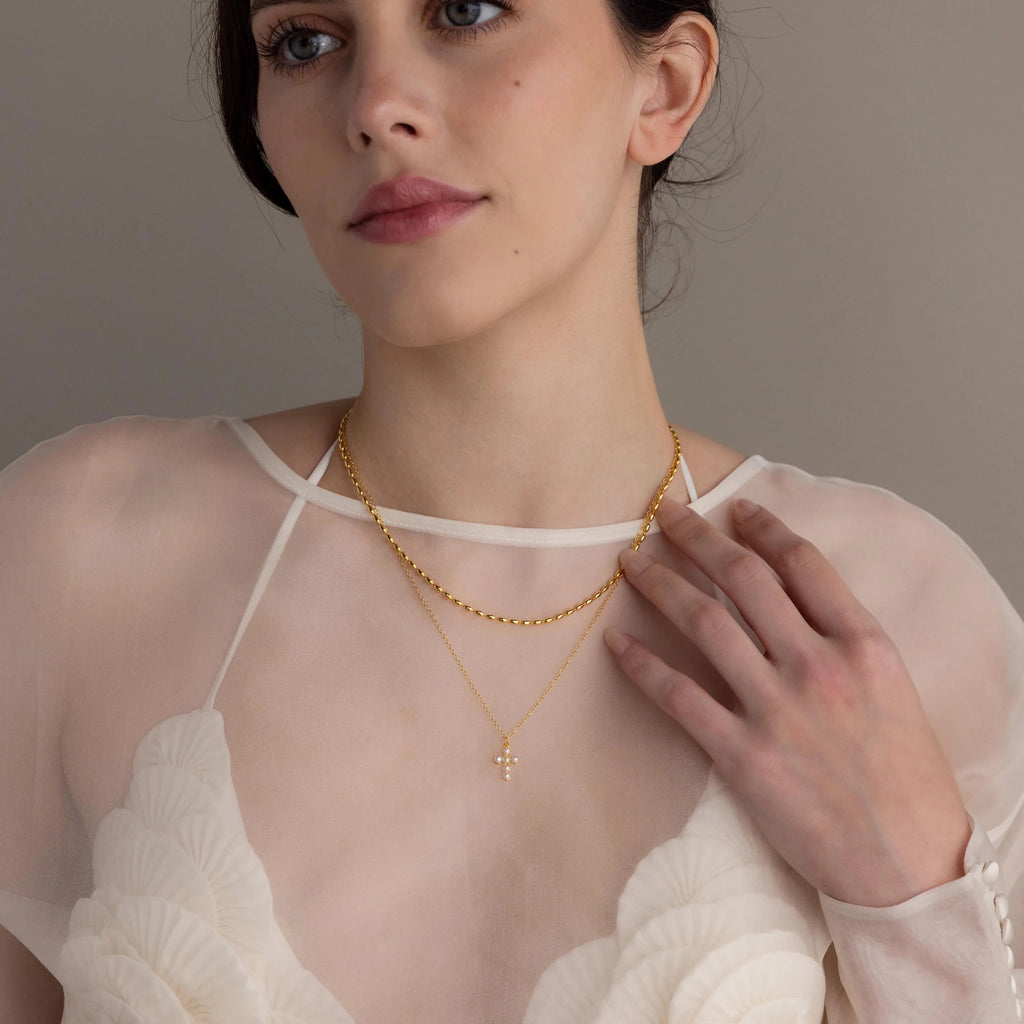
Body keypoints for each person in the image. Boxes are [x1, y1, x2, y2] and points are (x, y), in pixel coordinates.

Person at [1, 0, 1022, 1020]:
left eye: (465, 11)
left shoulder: (895, 611)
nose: (376, 106)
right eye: (305, 42)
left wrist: (917, 902)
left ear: (663, 87)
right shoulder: (81, 559)